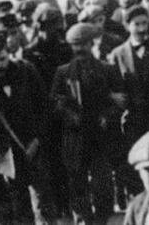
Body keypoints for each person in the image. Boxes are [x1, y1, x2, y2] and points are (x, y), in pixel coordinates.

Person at [0, 25, 55, 224]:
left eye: (3, 59)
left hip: (33, 147)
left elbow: (45, 109)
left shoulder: (26, 71)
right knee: (18, 205)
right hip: (6, 155)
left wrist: (38, 140)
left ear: (9, 53)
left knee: (44, 201)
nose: (0, 65)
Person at [51, 23, 126, 224]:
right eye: (75, 45)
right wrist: (69, 114)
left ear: (92, 43)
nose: (79, 49)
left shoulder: (108, 70)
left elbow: (121, 102)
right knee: (77, 185)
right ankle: (84, 219)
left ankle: (103, 219)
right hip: (75, 137)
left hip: (100, 136)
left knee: (103, 184)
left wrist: (107, 116)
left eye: (83, 44)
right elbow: (56, 102)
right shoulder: (63, 72)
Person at [108, 5, 149, 198]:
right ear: (127, 26)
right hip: (131, 120)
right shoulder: (117, 54)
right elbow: (110, 86)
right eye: (136, 24)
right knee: (137, 165)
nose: (141, 28)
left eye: (144, 23)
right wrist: (112, 96)